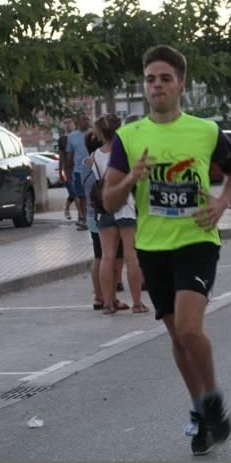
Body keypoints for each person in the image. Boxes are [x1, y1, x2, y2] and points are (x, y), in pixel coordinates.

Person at [103, 45, 231, 455]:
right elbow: (109, 201)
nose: (158, 85)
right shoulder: (128, 137)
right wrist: (131, 177)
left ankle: (212, 398)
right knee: (178, 338)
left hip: (197, 241)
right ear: (144, 86)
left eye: (166, 78)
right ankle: (200, 410)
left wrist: (221, 203)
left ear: (181, 84)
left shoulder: (205, 131)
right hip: (152, 246)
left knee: (188, 327)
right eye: (151, 79)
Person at [92, 114, 148, 315]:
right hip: (126, 206)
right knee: (131, 258)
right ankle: (137, 303)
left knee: (107, 257)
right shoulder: (127, 150)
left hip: (105, 207)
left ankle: (108, 303)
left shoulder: (96, 154)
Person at [82, 130, 126, 311]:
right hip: (109, 214)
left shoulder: (85, 164)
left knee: (99, 257)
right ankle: (112, 297)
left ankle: (98, 296)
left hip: (92, 215)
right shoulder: (107, 162)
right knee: (115, 258)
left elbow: (83, 189)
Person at [66, 115, 92, 231]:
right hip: (78, 170)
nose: (86, 121)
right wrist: (67, 171)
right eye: (84, 119)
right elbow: (69, 155)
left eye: (87, 119)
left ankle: (93, 218)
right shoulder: (72, 137)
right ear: (78, 122)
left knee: (94, 194)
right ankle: (83, 219)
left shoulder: (94, 133)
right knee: (82, 196)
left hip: (94, 169)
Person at [58, 117, 76, 220]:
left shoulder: (79, 136)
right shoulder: (62, 139)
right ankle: (67, 209)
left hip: (78, 167)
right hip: (68, 170)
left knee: (80, 193)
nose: (68, 124)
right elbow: (61, 157)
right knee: (73, 193)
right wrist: (60, 171)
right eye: (65, 123)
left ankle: (81, 216)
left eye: (70, 121)